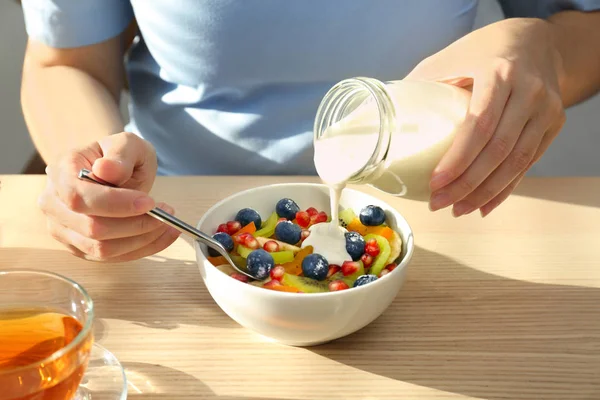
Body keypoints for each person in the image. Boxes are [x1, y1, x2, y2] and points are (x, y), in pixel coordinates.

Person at [21, 1, 600, 262]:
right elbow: (63, 63)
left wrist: (542, 48)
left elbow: (584, 26)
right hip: (172, 224)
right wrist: (96, 168)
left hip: (440, 211)